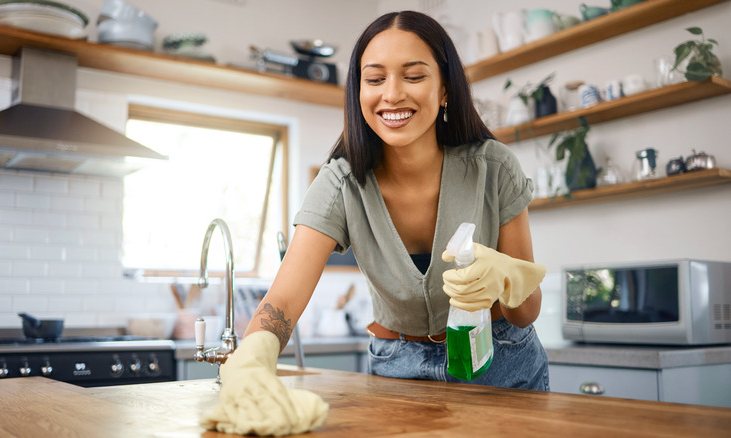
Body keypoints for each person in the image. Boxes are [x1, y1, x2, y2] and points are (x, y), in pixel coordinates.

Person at [201, 10, 548, 435]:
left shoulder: (494, 168)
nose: (392, 94)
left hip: (502, 365)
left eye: (414, 76)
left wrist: (508, 278)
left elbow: (526, 314)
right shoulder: (340, 183)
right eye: (375, 78)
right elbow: (284, 301)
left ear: (444, 90)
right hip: (396, 370)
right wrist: (252, 359)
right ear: (358, 91)